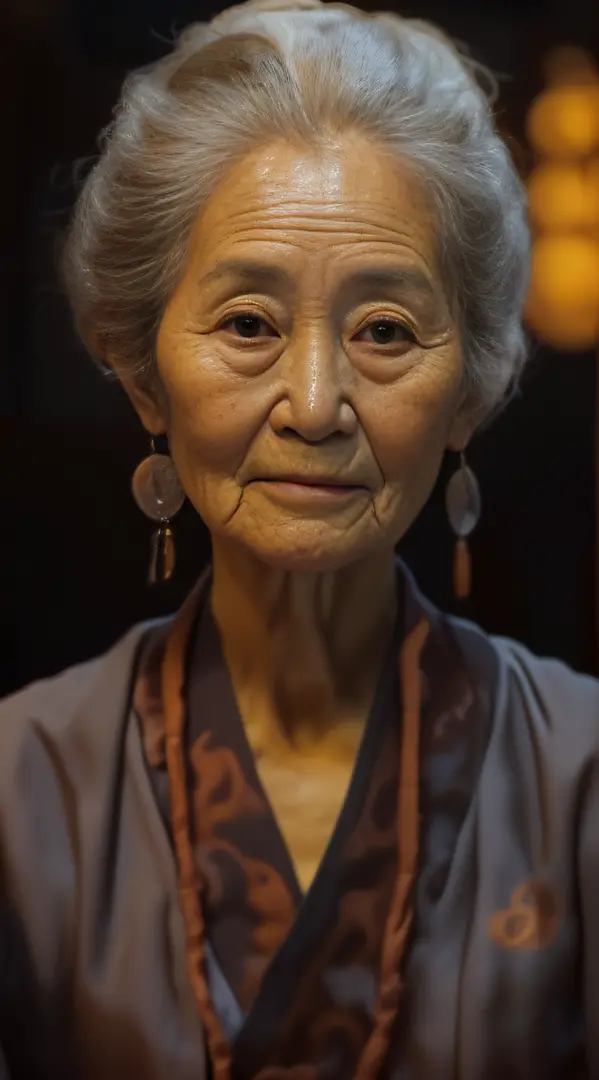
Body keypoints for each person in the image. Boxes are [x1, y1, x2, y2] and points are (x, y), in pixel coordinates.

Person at [1, 1, 598, 1076]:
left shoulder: (582, 780)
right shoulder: (19, 788)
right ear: (144, 377)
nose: (315, 404)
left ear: (465, 395)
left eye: (383, 332)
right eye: (246, 326)